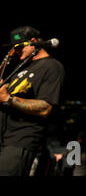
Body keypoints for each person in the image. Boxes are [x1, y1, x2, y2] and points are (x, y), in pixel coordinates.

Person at [0, 26, 64, 176]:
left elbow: (45, 108)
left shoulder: (52, 67)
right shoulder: (20, 69)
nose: (16, 51)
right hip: (4, 140)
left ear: (33, 42)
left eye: (19, 47)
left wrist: (8, 98)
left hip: (20, 141)